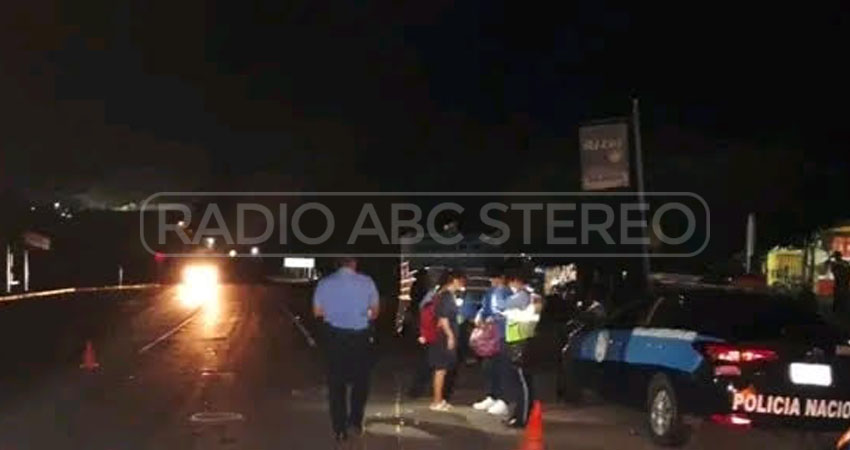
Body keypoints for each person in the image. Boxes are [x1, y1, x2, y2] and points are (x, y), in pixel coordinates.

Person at [312, 257, 380, 443]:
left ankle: (339, 429)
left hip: (335, 338)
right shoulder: (367, 282)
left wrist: (335, 312)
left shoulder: (325, 284)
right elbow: (374, 313)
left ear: (337, 264)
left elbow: (318, 312)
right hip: (360, 338)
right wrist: (360, 312)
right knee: (360, 382)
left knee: (336, 385)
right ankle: (355, 422)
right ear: (354, 263)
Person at [471, 271, 512, 415]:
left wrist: (494, 318)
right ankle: (492, 395)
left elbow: (507, 311)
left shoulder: (508, 292)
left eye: (494, 277)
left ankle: (503, 399)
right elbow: (485, 308)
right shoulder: (491, 292)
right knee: (489, 367)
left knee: (503, 368)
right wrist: (480, 316)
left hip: (504, 335)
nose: (492, 281)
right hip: (490, 336)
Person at [429, 270, 466, 411]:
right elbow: (443, 319)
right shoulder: (446, 296)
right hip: (443, 338)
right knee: (441, 369)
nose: (463, 284)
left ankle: (440, 399)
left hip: (444, 336)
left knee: (443, 369)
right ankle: (437, 401)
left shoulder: (445, 295)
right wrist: (450, 336)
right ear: (454, 280)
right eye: (461, 280)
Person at [502, 274, 536, 427]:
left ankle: (522, 418)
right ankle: (518, 416)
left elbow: (503, 305)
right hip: (519, 341)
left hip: (521, 342)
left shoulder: (522, 296)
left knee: (523, 384)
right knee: (520, 384)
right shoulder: (525, 296)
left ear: (516, 280)